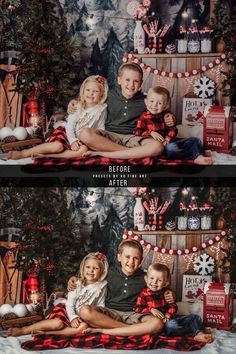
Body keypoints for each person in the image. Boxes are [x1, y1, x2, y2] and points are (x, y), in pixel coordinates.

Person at [68, 62, 175, 159]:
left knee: (157, 147)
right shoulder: (108, 95)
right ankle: (129, 153)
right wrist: (74, 102)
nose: (131, 85)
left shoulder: (146, 100)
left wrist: (170, 117)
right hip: (109, 136)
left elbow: (161, 111)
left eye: (136, 81)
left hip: (134, 137)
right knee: (84, 134)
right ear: (119, 80)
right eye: (127, 80)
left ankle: (105, 153)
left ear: (141, 83)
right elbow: (89, 100)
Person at [68, 239, 175, 336]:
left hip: (134, 314)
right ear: (119, 257)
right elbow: (89, 277)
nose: (131, 262)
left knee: (157, 324)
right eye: (127, 257)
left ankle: (105, 330)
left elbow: (160, 288)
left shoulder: (146, 277)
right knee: (84, 311)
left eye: (136, 258)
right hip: (109, 313)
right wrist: (74, 279)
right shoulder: (108, 273)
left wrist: (170, 293)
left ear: (141, 260)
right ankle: (129, 330)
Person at [86, 263, 213, 343]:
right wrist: (150, 310)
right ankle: (195, 330)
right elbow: (139, 308)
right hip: (158, 322)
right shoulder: (110, 273)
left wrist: (169, 312)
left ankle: (199, 332)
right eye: (152, 279)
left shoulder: (162, 290)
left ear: (165, 283)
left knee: (193, 318)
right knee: (171, 327)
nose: (154, 282)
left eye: (159, 280)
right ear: (146, 279)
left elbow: (173, 306)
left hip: (166, 319)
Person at [86, 86, 212, 165]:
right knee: (171, 150)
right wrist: (151, 133)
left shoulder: (165, 115)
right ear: (146, 102)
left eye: (159, 103)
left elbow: (173, 129)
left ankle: (198, 156)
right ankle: (193, 155)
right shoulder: (143, 116)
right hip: (161, 146)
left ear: (166, 105)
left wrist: (168, 137)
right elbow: (139, 131)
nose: (154, 105)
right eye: (151, 102)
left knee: (195, 140)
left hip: (168, 142)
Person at [7, 75, 108, 160]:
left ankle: (47, 156)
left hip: (83, 139)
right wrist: (72, 140)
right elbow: (70, 125)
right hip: (67, 132)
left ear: (102, 94)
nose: (91, 93)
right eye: (88, 90)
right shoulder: (77, 106)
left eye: (95, 91)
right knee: (58, 146)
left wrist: (98, 142)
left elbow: (100, 127)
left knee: (83, 151)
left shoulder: (102, 109)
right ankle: (24, 153)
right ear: (83, 91)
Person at [7, 252, 108, 337]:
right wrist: (72, 317)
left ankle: (48, 334)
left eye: (95, 268)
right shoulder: (77, 283)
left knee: (83, 328)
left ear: (102, 271)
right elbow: (70, 303)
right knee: (58, 323)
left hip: (84, 316)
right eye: (88, 267)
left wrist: (96, 319)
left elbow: (101, 305)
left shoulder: (102, 286)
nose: (91, 270)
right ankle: (24, 330)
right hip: (68, 309)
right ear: (83, 268)